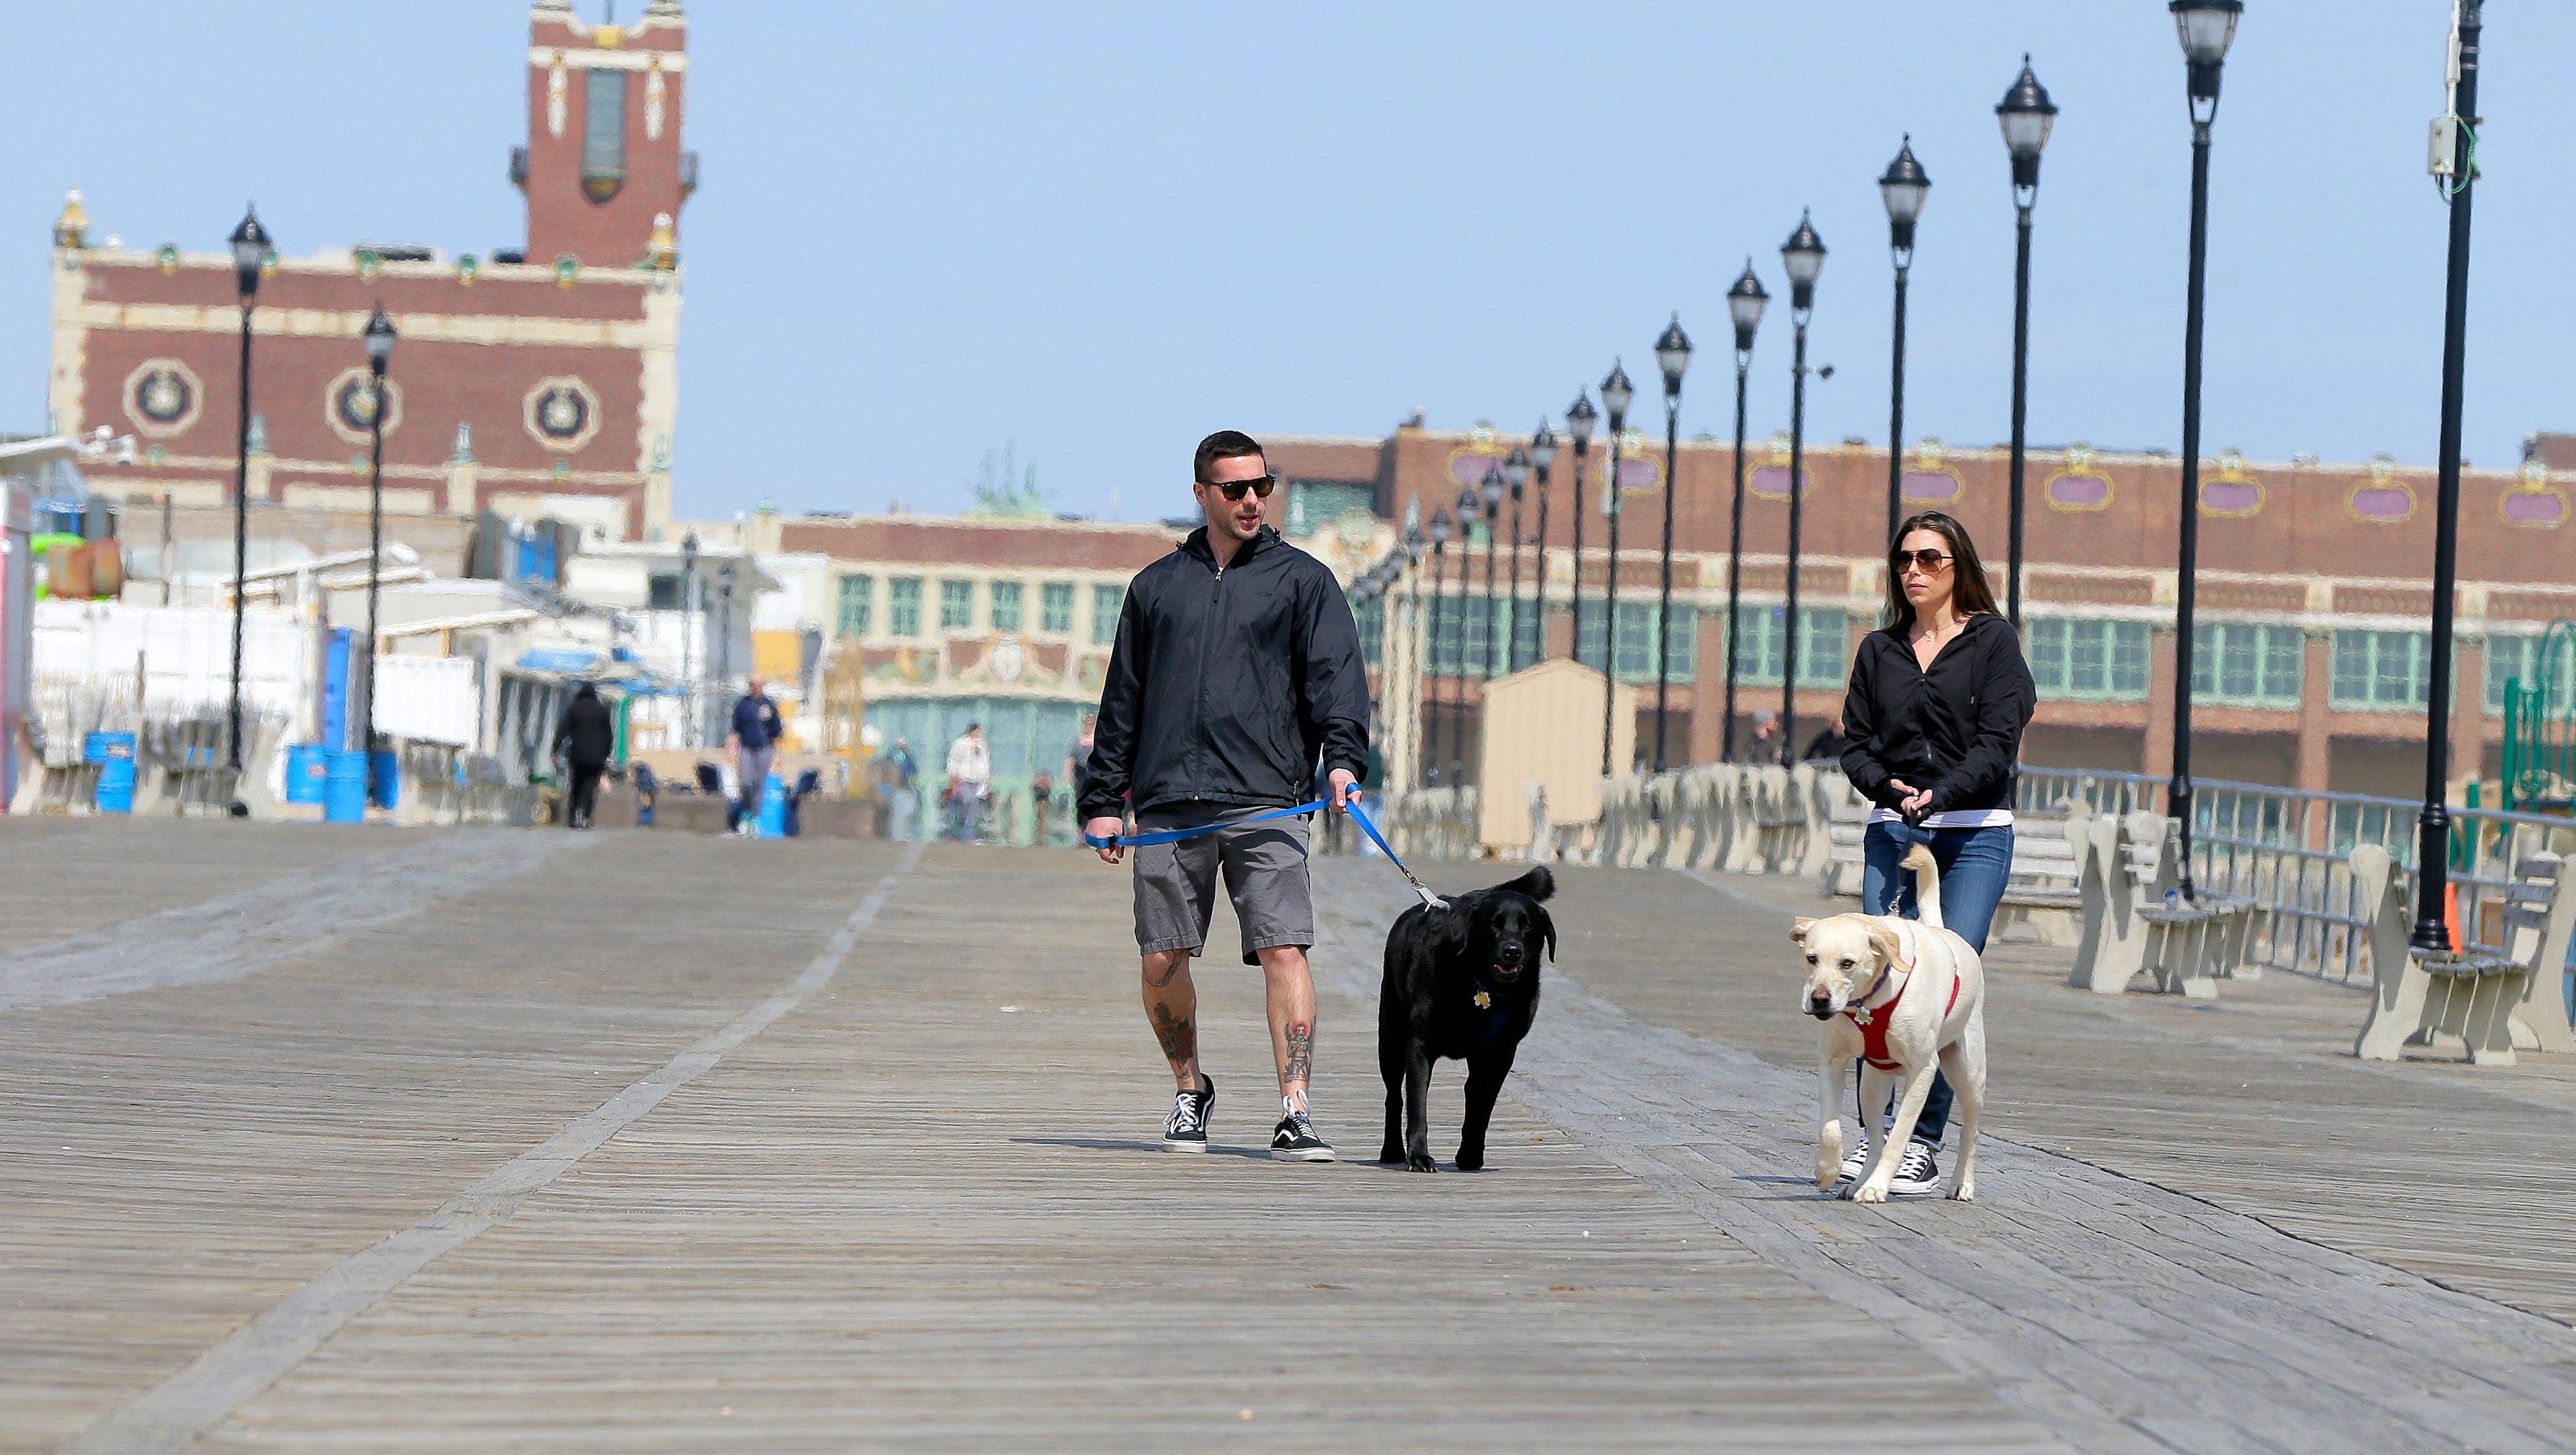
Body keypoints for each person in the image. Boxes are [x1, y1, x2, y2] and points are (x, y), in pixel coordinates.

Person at [1083, 430, 1370, 1162]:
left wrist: (1342, 761)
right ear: (1202, 494)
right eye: (1236, 489)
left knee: (1284, 948)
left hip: (1267, 800)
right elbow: (1124, 700)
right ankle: (1189, 1089)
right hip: (1170, 802)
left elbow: (1336, 681)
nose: (1252, 500)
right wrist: (1103, 799)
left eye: (1262, 487)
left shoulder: (1304, 581)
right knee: (1160, 959)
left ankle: (1295, 1109)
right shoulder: (1155, 588)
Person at [1837, 510, 2035, 1196]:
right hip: (1894, 830)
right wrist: (1883, 786)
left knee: (1946, 984)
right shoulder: (1879, 650)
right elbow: (1854, 743)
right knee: (1874, 983)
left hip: (1974, 832)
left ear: (1959, 567)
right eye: (1904, 560)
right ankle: (1873, 1138)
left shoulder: (1993, 644)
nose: (1913, 571)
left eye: (1929, 559)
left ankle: (1920, 1142)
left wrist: (1942, 792)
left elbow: (1998, 739)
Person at [551, 682, 615, 829]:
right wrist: (607, 753)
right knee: (590, 787)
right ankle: (586, 816)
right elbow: (609, 735)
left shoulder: (574, 708)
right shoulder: (602, 710)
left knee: (576, 784)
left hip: (578, 754)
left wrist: (555, 749)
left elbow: (563, 729)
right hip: (597, 757)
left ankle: (573, 816)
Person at [727, 676, 785, 835]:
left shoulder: (769, 705)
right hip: (746, 748)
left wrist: (779, 756)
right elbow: (735, 730)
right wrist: (731, 751)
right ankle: (745, 812)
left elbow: (777, 733)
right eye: (754, 685)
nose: (757, 687)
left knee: (759, 783)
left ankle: (755, 817)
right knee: (745, 782)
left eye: (759, 685)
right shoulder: (742, 705)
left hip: (764, 749)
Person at [945, 722, 990, 842]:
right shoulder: (961, 743)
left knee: (974, 804)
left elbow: (985, 762)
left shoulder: (982, 745)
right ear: (972, 730)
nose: (978, 733)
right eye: (977, 731)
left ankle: (969, 832)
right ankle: (960, 828)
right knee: (966, 801)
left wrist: (986, 777)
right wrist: (953, 775)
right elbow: (953, 760)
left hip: (977, 779)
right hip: (963, 778)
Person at [887, 736, 919, 842]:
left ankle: (898, 835)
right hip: (902, 788)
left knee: (899, 813)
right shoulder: (905, 757)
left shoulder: (893, 756)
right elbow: (912, 771)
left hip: (899, 788)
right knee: (904, 812)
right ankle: (902, 835)